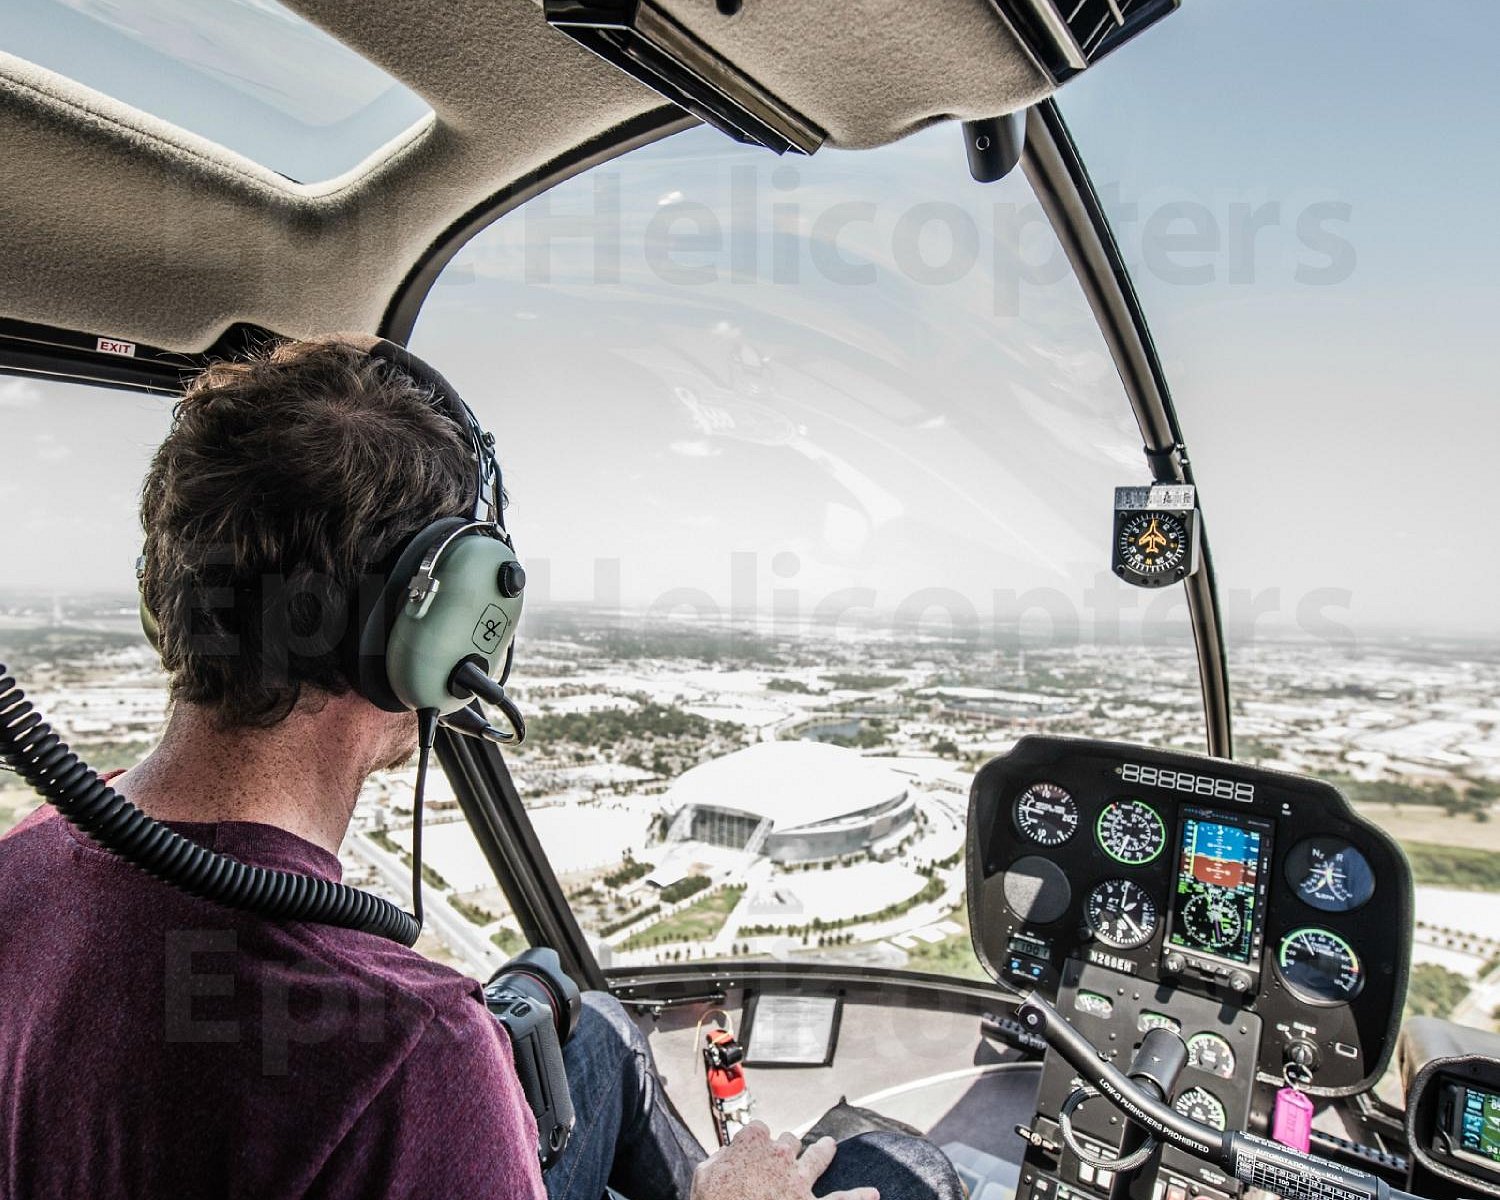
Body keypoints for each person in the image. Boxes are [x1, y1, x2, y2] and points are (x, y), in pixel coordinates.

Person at [0, 338, 963, 1200]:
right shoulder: (407, 1052)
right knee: (903, 1175)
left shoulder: (20, 870)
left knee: (587, 1032)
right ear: (434, 629)